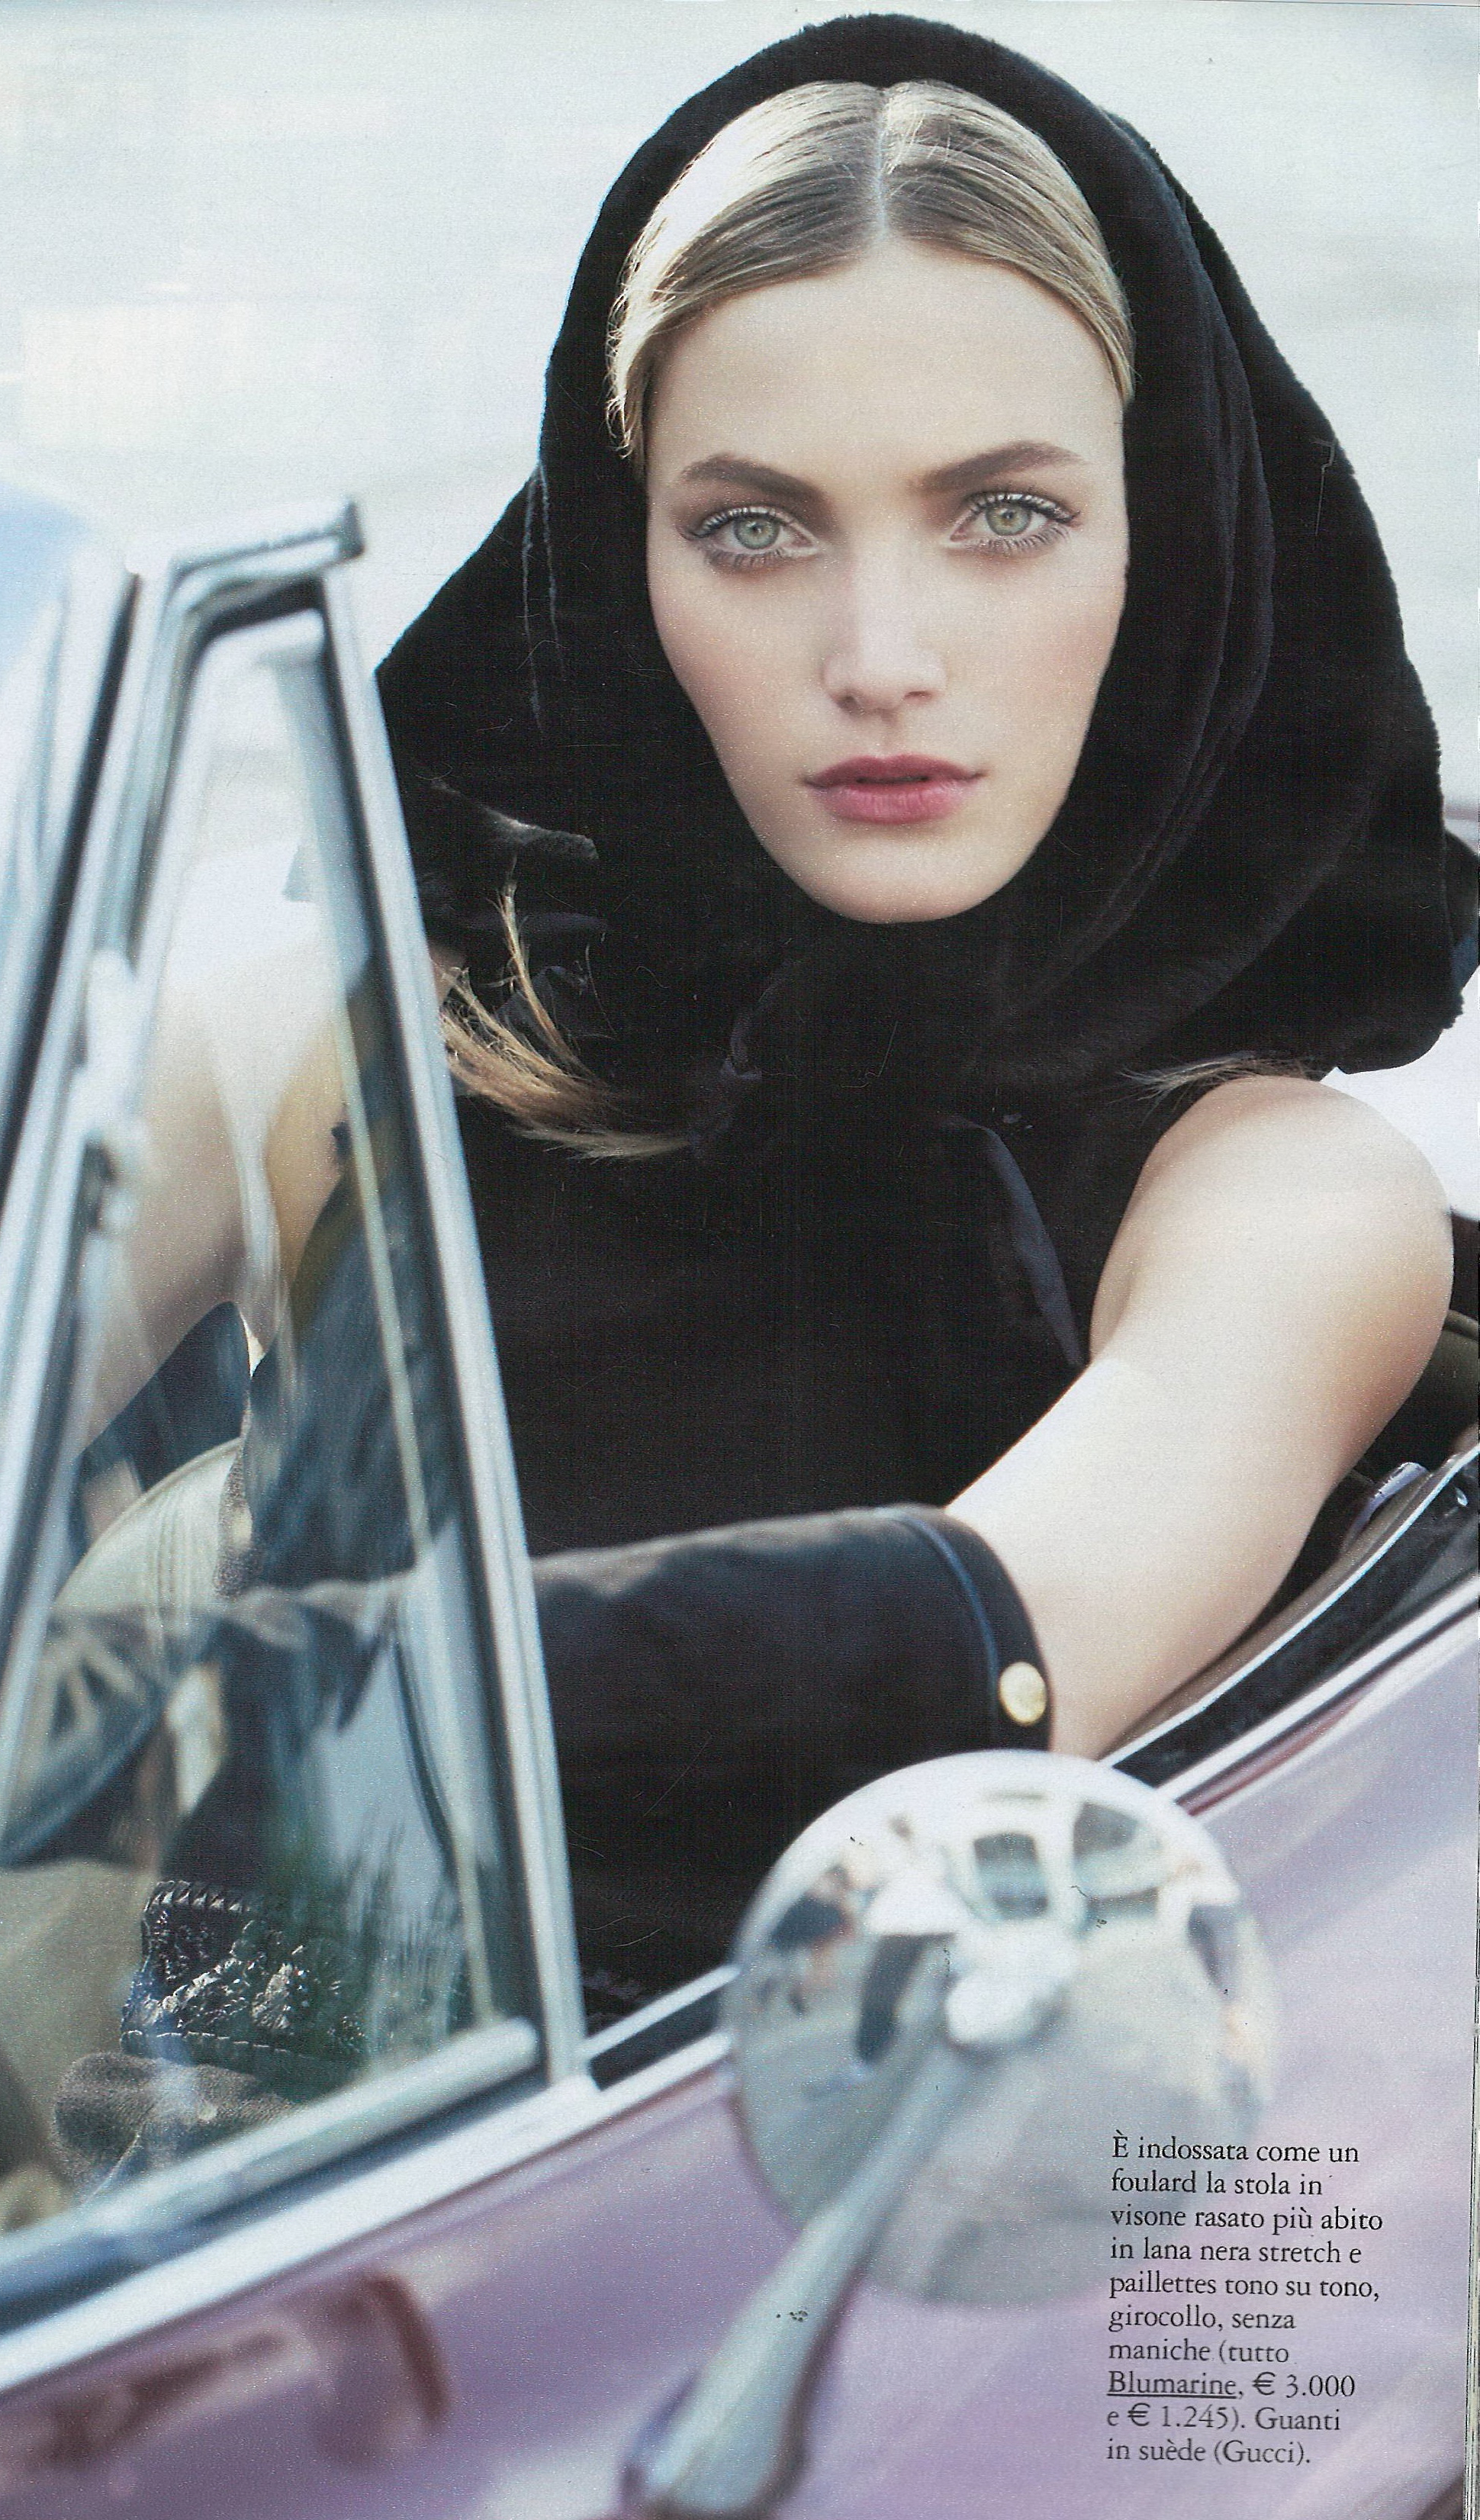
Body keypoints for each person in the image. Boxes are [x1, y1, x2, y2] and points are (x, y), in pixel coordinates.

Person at [374, 14, 1472, 1965]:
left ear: (1171, 548)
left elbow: (984, 1665)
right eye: (752, 527)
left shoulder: (1287, 1198)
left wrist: (198, 1703)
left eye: (1006, 516)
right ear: (621, 561)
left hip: (817, 2131)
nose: (880, 656)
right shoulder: (389, 1038)